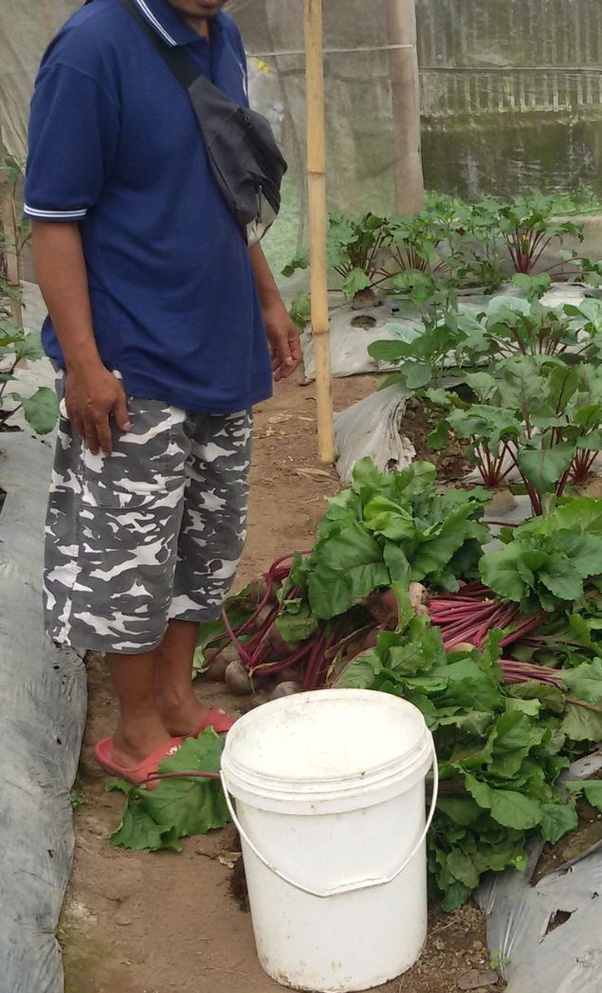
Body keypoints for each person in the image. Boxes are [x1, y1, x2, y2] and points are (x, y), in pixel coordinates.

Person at [24, 0, 300, 785]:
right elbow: (52, 219)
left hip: (218, 340)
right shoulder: (92, 49)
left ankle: (179, 701)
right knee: (130, 554)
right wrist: (83, 364)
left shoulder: (223, 34)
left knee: (204, 540)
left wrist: (269, 301)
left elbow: (228, 187)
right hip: (131, 361)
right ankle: (137, 732)